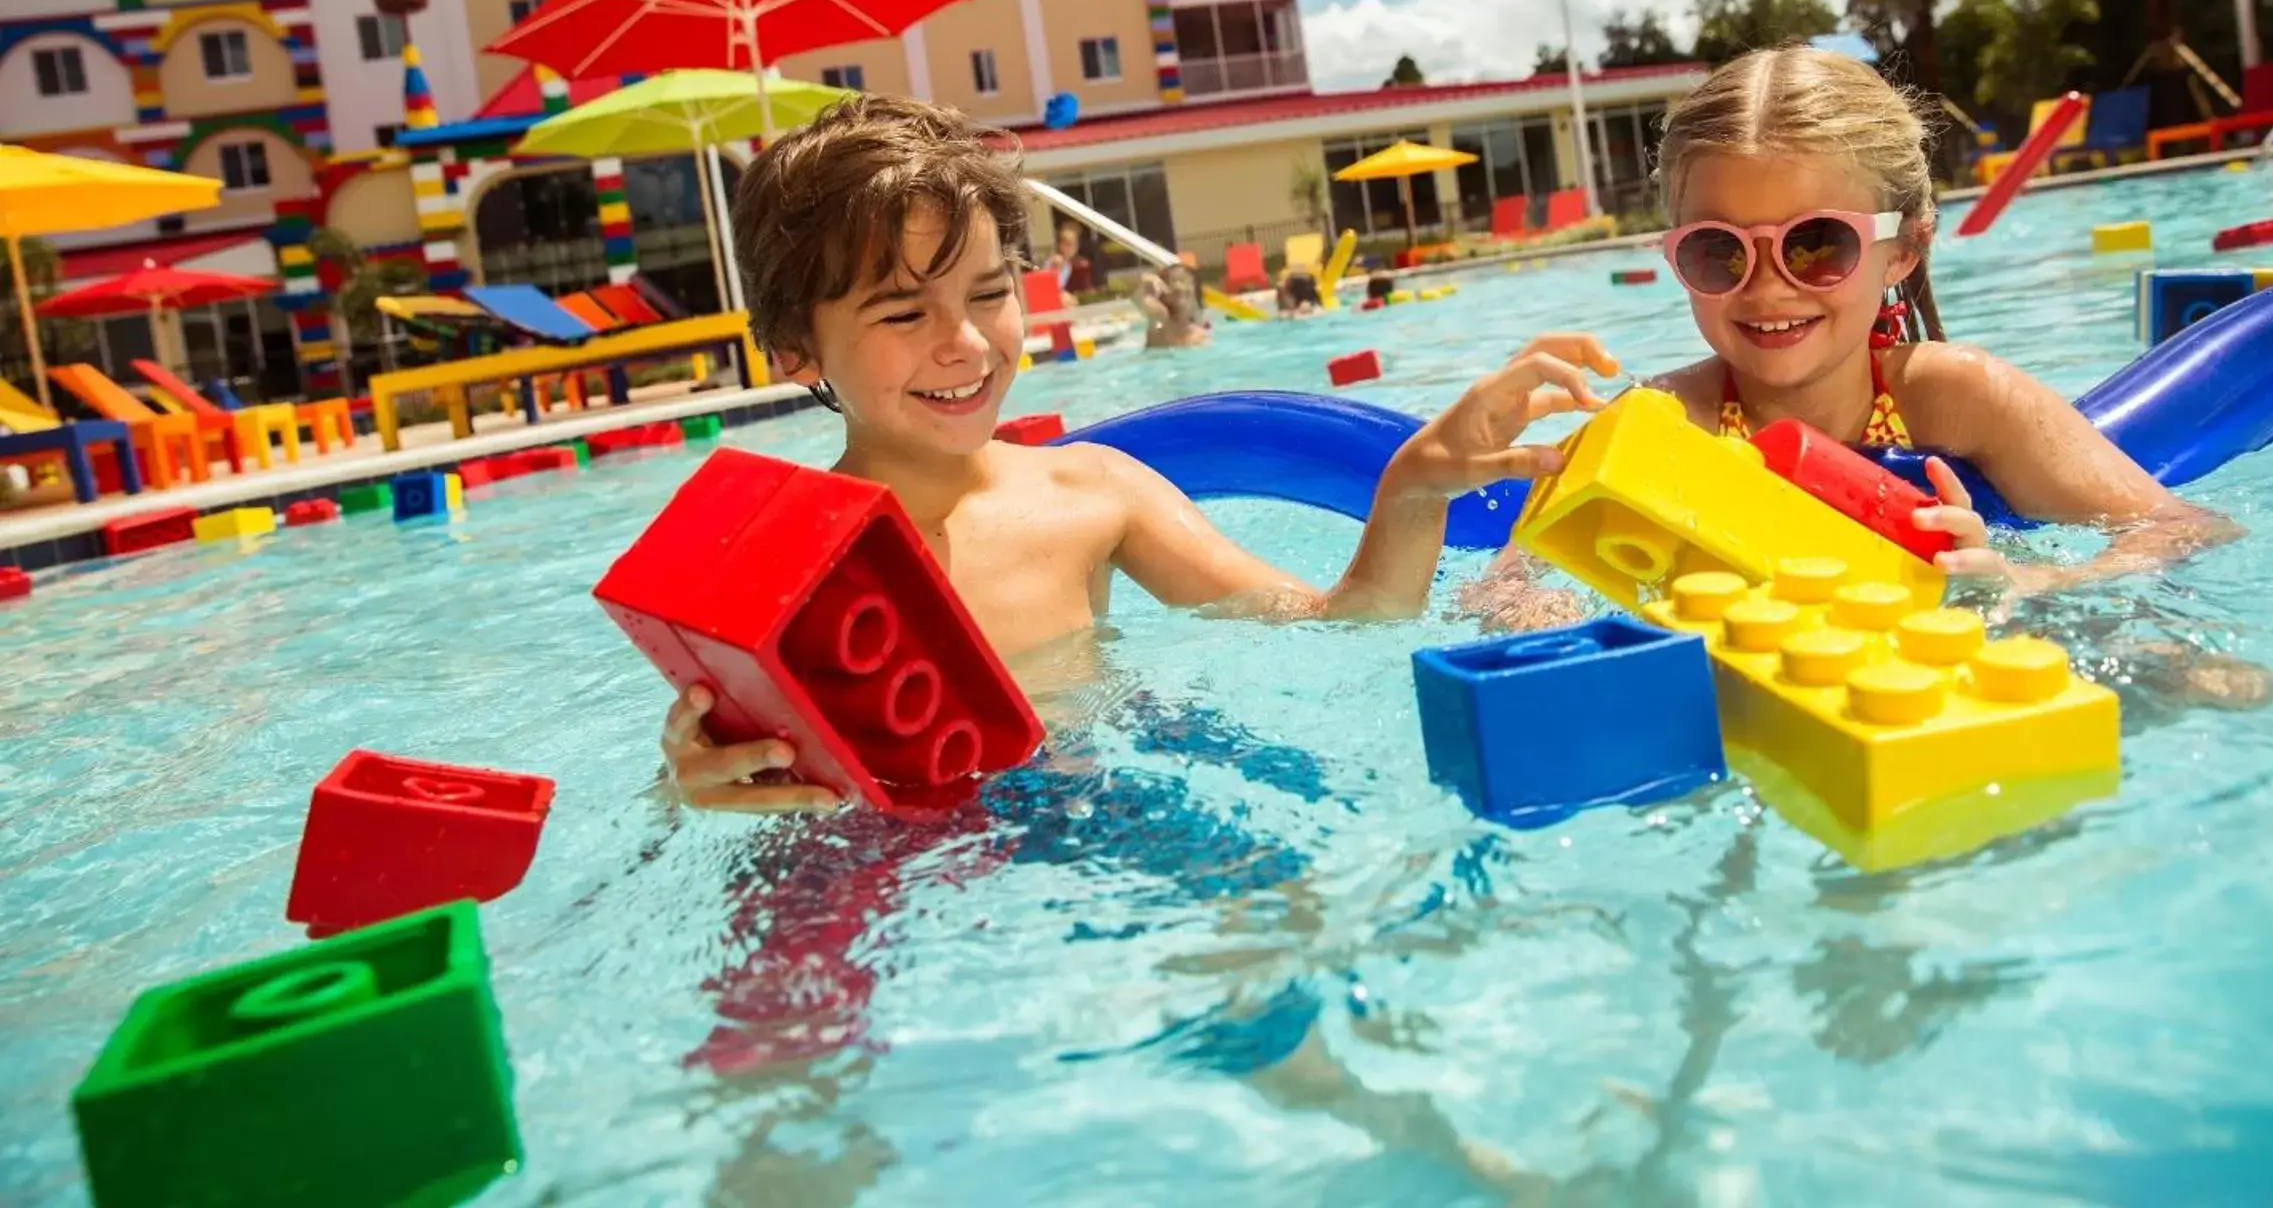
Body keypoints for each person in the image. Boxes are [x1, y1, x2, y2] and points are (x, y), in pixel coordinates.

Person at [663, 95, 1617, 811]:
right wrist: (691, 784)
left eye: (990, 293)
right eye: (905, 312)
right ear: (794, 350)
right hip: (896, 851)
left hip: (1091, 806)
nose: (961, 341)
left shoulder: (1095, 492)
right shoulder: (776, 557)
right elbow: (720, 776)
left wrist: (1412, 487)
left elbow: (1343, 623)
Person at [1464, 47, 2261, 693]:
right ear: (1676, 257)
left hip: (1951, 666)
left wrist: (2025, 578)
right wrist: (1550, 614)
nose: (1769, 286)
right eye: (1719, 251)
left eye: (1818, 245)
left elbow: (2185, 527)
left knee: (2214, 685)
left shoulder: (1958, 399)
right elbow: (1500, 582)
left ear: (1904, 248)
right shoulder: (1667, 420)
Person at [1133, 255, 1211, 350]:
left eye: (1185, 281)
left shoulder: (1200, 335)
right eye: (1172, 282)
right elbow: (1137, 299)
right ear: (1163, 293)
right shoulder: (1160, 317)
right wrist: (1146, 280)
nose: (1179, 286)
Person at [1046, 219, 1094, 299]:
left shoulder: (1081, 265)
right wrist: (1055, 270)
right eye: (1063, 242)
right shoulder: (1052, 263)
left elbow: (1087, 291)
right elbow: (1045, 289)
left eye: (1070, 244)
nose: (1066, 247)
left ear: (1077, 246)